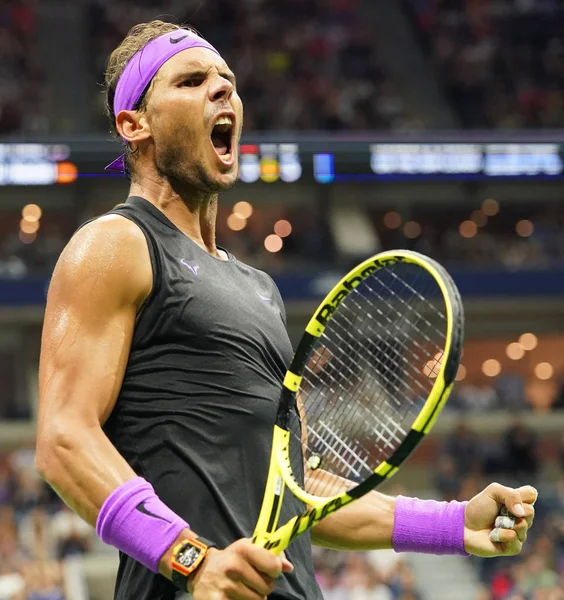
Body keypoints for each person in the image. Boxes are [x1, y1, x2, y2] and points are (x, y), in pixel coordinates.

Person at [35, 19, 537, 600]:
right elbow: (64, 438)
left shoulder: (258, 289)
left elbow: (294, 490)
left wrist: (452, 525)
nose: (222, 90)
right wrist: (192, 561)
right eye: (192, 80)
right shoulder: (114, 245)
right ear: (134, 124)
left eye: (227, 79)